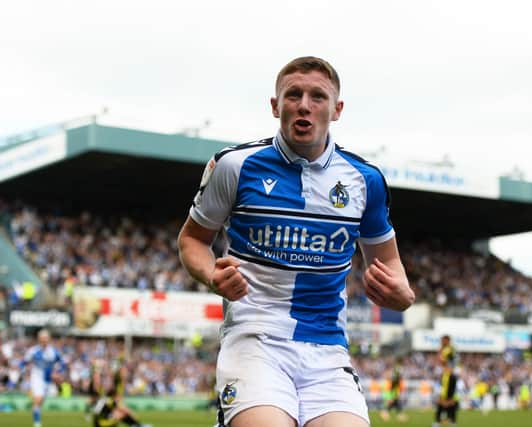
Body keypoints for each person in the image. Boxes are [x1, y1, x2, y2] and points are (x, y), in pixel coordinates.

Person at [177, 56, 415, 427]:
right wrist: (212, 275)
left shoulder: (364, 180)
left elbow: (389, 261)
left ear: (336, 110)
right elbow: (192, 239)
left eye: (317, 96)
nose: (304, 105)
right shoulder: (235, 166)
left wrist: (403, 293)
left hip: (327, 350)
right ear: (275, 106)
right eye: (293, 95)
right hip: (255, 338)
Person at [22, 329, 66, 427]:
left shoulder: (53, 352)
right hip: (36, 377)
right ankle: (37, 423)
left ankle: (36, 414)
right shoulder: (33, 351)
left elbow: (63, 364)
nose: (44, 340)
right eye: (42, 338)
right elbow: (23, 363)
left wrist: (57, 373)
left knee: (40, 401)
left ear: (49, 339)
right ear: (39, 339)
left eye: (46, 338)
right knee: (38, 399)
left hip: (48, 380)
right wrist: (25, 373)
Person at [91, 356, 150, 427]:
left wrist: (96, 368)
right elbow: (97, 382)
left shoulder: (105, 396)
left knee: (120, 413)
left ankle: (137, 425)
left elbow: (97, 382)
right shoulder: (109, 399)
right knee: (120, 413)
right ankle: (137, 425)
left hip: (101, 420)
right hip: (101, 423)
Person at [380, 357, 407, 422]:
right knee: (393, 400)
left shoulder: (397, 368)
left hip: (394, 387)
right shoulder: (397, 369)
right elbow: (395, 378)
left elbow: (395, 378)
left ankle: (388, 413)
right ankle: (398, 414)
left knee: (394, 401)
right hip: (392, 388)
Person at [433, 363, 459, 427]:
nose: (446, 369)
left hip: (451, 397)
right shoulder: (443, 376)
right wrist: (440, 397)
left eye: (448, 368)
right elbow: (441, 387)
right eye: (445, 368)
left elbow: (453, 389)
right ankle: (437, 422)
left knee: (451, 410)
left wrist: (449, 399)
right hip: (443, 396)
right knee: (439, 409)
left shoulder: (453, 377)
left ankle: (453, 423)